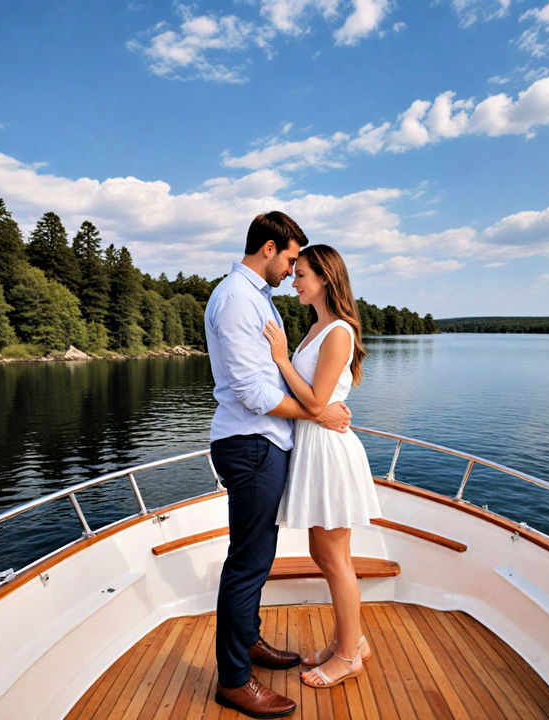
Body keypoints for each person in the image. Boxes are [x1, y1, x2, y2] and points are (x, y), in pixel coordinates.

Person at [205, 212, 352, 719]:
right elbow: (251, 391)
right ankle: (234, 681)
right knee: (247, 563)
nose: (292, 272)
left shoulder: (257, 297)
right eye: (291, 259)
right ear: (269, 248)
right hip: (251, 445)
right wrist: (318, 410)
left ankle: (248, 642)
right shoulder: (236, 299)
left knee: (258, 556)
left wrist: (313, 404)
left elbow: (282, 376)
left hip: (265, 444)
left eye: (300, 268)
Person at [262, 244, 381, 689]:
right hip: (314, 445)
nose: (294, 282)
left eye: (302, 275)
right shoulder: (317, 329)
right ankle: (351, 642)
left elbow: (314, 400)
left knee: (333, 558)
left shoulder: (338, 333)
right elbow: (316, 401)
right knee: (325, 554)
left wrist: (278, 357)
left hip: (329, 453)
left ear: (326, 279)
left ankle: (348, 656)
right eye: (293, 274)